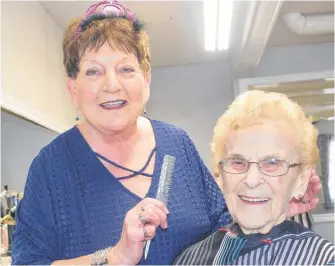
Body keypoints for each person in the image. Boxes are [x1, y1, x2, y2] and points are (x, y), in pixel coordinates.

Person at [11, 1, 322, 265]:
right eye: (93, 71)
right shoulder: (51, 169)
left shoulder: (178, 145)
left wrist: (273, 207)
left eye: (126, 69)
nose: (111, 85)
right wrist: (115, 257)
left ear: (146, 79)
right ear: (73, 88)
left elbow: (226, 231)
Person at [174, 90, 334, 265]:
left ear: (301, 181)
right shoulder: (189, 260)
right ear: (220, 177)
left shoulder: (323, 260)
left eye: (272, 163)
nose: (251, 180)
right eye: (238, 162)